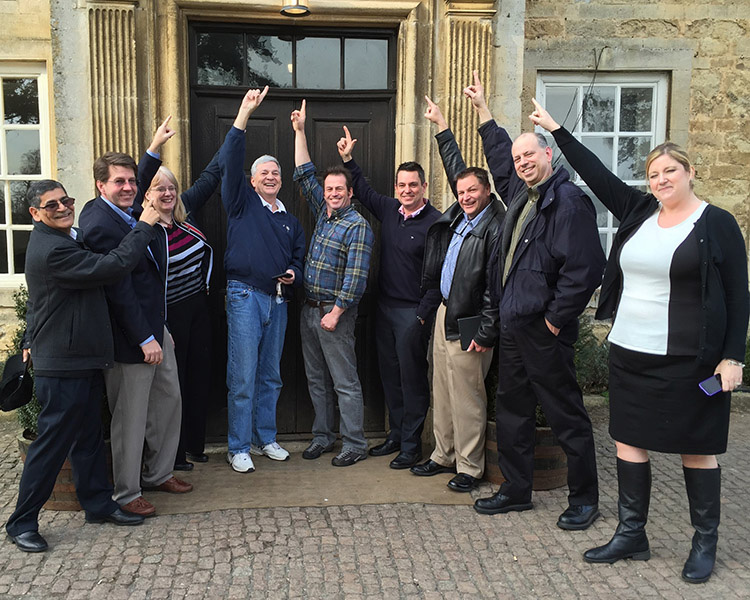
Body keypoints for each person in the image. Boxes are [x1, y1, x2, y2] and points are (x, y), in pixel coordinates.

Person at [531, 99, 749, 583]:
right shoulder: (640, 211)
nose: (661, 180)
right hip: (630, 352)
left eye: (670, 171)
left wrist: (733, 357)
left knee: (696, 447)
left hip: (690, 358)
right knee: (628, 440)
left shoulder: (716, 223)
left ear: (690, 173)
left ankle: (704, 541)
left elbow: (739, 294)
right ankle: (632, 534)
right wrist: (556, 130)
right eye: (654, 174)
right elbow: (598, 174)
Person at [465, 72, 605, 528]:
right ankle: (516, 489)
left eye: (530, 154)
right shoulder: (522, 196)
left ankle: (584, 499)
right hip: (514, 327)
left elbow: (585, 270)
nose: (522, 161)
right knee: (513, 411)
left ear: (548, 154)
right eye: (518, 156)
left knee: (565, 415)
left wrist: (554, 321)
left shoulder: (568, 202)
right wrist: (484, 112)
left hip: (544, 331)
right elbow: (499, 162)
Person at [5, 180, 161, 552]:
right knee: (51, 445)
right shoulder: (53, 250)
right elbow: (114, 266)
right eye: (52, 204)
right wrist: (145, 225)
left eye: (66, 200)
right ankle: (21, 522)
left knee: (89, 438)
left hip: (82, 359)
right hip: (63, 365)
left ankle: (98, 504)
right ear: (35, 213)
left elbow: (39, 303)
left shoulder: (67, 238)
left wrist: (27, 338)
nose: (62, 207)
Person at [79, 123, 193, 518]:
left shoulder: (123, 208)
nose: (129, 187)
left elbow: (138, 180)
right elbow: (119, 289)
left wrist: (154, 147)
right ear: (100, 186)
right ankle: (127, 493)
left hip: (154, 325)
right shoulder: (99, 224)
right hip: (130, 338)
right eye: (119, 182)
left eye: (132, 181)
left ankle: (159, 472)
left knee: (168, 399)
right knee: (130, 416)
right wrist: (146, 338)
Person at [411, 97, 505, 492]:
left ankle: (469, 467)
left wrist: (486, 330)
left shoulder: (495, 225)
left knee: (467, 397)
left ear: (487, 191)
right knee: (443, 389)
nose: (465, 196)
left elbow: (496, 286)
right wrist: (441, 126)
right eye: (461, 190)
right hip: (444, 312)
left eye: (472, 191)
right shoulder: (463, 216)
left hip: (471, 321)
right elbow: (456, 169)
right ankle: (443, 454)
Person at [336, 123, 441, 469]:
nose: (407, 190)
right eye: (402, 185)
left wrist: (423, 314)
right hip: (385, 309)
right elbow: (364, 192)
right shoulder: (389, 210)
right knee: (391, 378)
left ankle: (411, 445)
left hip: (413, 314)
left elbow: (441, 274)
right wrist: (349, 160)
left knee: (412, 381)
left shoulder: (436, 223)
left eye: (413, 185)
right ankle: (396, 435)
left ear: (424, 187)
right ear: (396, 187)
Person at [220, 87, 306, 473]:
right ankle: (238, 446)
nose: (270, 177)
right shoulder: (240, 203)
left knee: (271, 375)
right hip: (244, 296)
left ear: (281, 181)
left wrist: (294, 273)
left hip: (278, 299)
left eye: (275, 173)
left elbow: (298, 258)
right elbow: (230, 158)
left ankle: (264, 438)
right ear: (252, 181)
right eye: (263, 173)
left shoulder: (290, 220)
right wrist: (244, 114)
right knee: (242, 376)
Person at [291, 100, 375, 467]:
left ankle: (355, 443)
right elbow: (303, 174)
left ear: (350, 193)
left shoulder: (357, 226)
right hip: (309, 310)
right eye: (329, 188)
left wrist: (336, 313)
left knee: (344, 382)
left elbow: (356, 279)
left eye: (340, 189)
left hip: (334, 314)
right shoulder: (323, 213)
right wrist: (299, 132)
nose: (333, 193)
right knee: (316, 380)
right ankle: (323, 437)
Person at [142, 142, 220, 471]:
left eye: (171, 187)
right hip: (169, 315)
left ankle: (194, 446)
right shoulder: (144, 231)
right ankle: (173, 457)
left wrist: (241, 121)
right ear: (146, 194)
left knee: (199, 378)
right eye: (159, 188)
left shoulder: (184, 218)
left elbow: (211, 176)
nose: (168, 193)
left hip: (198, 309)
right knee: (172, 386)